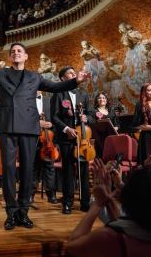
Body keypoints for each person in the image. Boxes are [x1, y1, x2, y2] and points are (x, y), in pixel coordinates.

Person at [0, 43, 89, 230]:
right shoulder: (1, 73)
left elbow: (55, 87)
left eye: (19, 51)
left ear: (26, 56)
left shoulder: (34, 76)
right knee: (9, 170)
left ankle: (24, 212)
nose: (16, 53)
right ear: (11, 57)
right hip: (7, 127)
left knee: (28, 170)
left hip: (29, 127)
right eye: (13, 52)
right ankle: (11, 213)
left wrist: (75, 81)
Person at [66, 161, 151, 257]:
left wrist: (97, 204)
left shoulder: (107, 237)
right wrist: (109, 200)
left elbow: (72, 248)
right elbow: (124, 227)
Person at [50, 66, 93, 213]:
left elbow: (91, 115)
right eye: (70, 73)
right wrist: (66, 129)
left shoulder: (83, 95)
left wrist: (87, 118)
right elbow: (54, 117)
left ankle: (85, 202)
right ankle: (67, 203)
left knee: (84, 170)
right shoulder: (58, 94)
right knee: (68, 170)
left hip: (83, 139)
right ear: (63, 78)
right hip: (66, 138)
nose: (74, 74)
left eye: (74, 73)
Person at [31, 91, 58, 205]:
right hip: (33, 139)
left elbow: (56, 117)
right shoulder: (28, 100)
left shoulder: (49, 100)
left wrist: (51, 124)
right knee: (33, 168)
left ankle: (51, 194)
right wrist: (37, 124)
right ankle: (30, 195)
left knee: (50, 169)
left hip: (48, 141)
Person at [90, 92, 120, 158]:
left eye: (103, 98)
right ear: (96, 100)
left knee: (112, 156)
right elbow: (91, 124)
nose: (101, 99)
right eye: (99, 98)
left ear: (106, 100)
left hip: (111, 137)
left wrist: (115, 128)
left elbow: (117, 124)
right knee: (102, 156)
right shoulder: (94, 112)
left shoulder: (111, 111)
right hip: (99, 139)